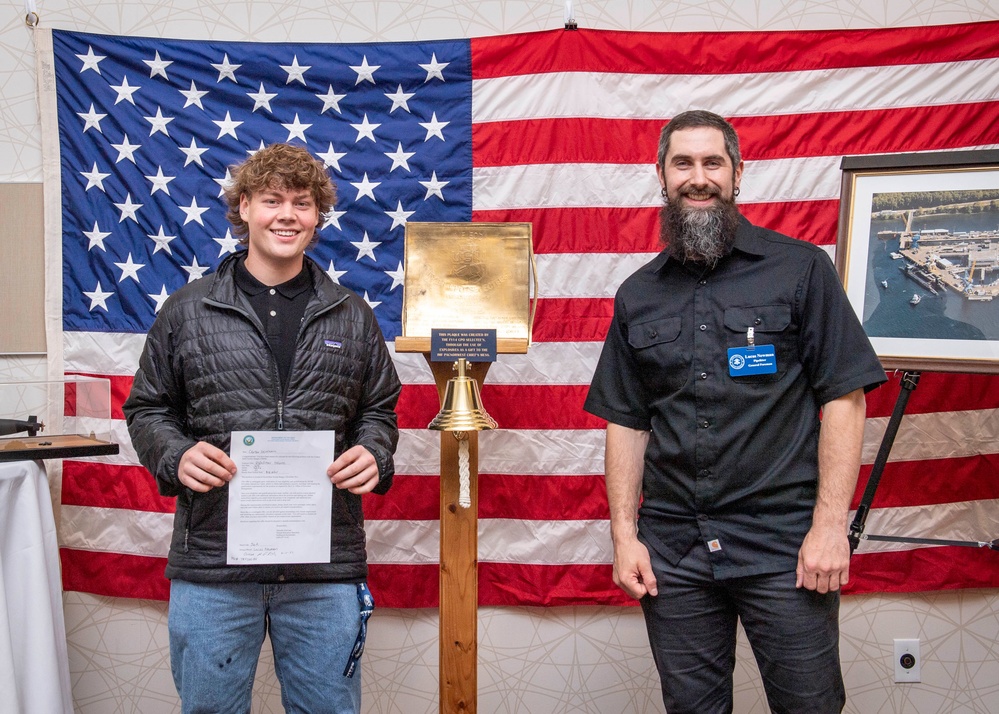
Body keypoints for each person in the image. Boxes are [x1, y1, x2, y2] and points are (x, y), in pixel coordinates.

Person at [583, 110, 886, 714]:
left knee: (811, 706)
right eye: (683, 164)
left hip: (785, 543)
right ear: (662, 177)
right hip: (674, 551)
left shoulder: (801, 269)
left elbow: (844, 399)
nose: (699, 178)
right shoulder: (637, 293)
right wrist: (624, 538)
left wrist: (829, 528)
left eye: (713, 162)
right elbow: (626, 420)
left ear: (738, 174)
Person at [123, 143, 401, 714]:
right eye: (272, 200)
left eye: (302, 203)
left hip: (323, 567)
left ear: (317, 215)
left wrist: (374, 451)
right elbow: (147, 408)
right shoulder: (187, 310)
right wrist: (175, 456)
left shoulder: (352, 313)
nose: (287, 215)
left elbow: (380, 409)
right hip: (213, 565)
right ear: (244, 206)